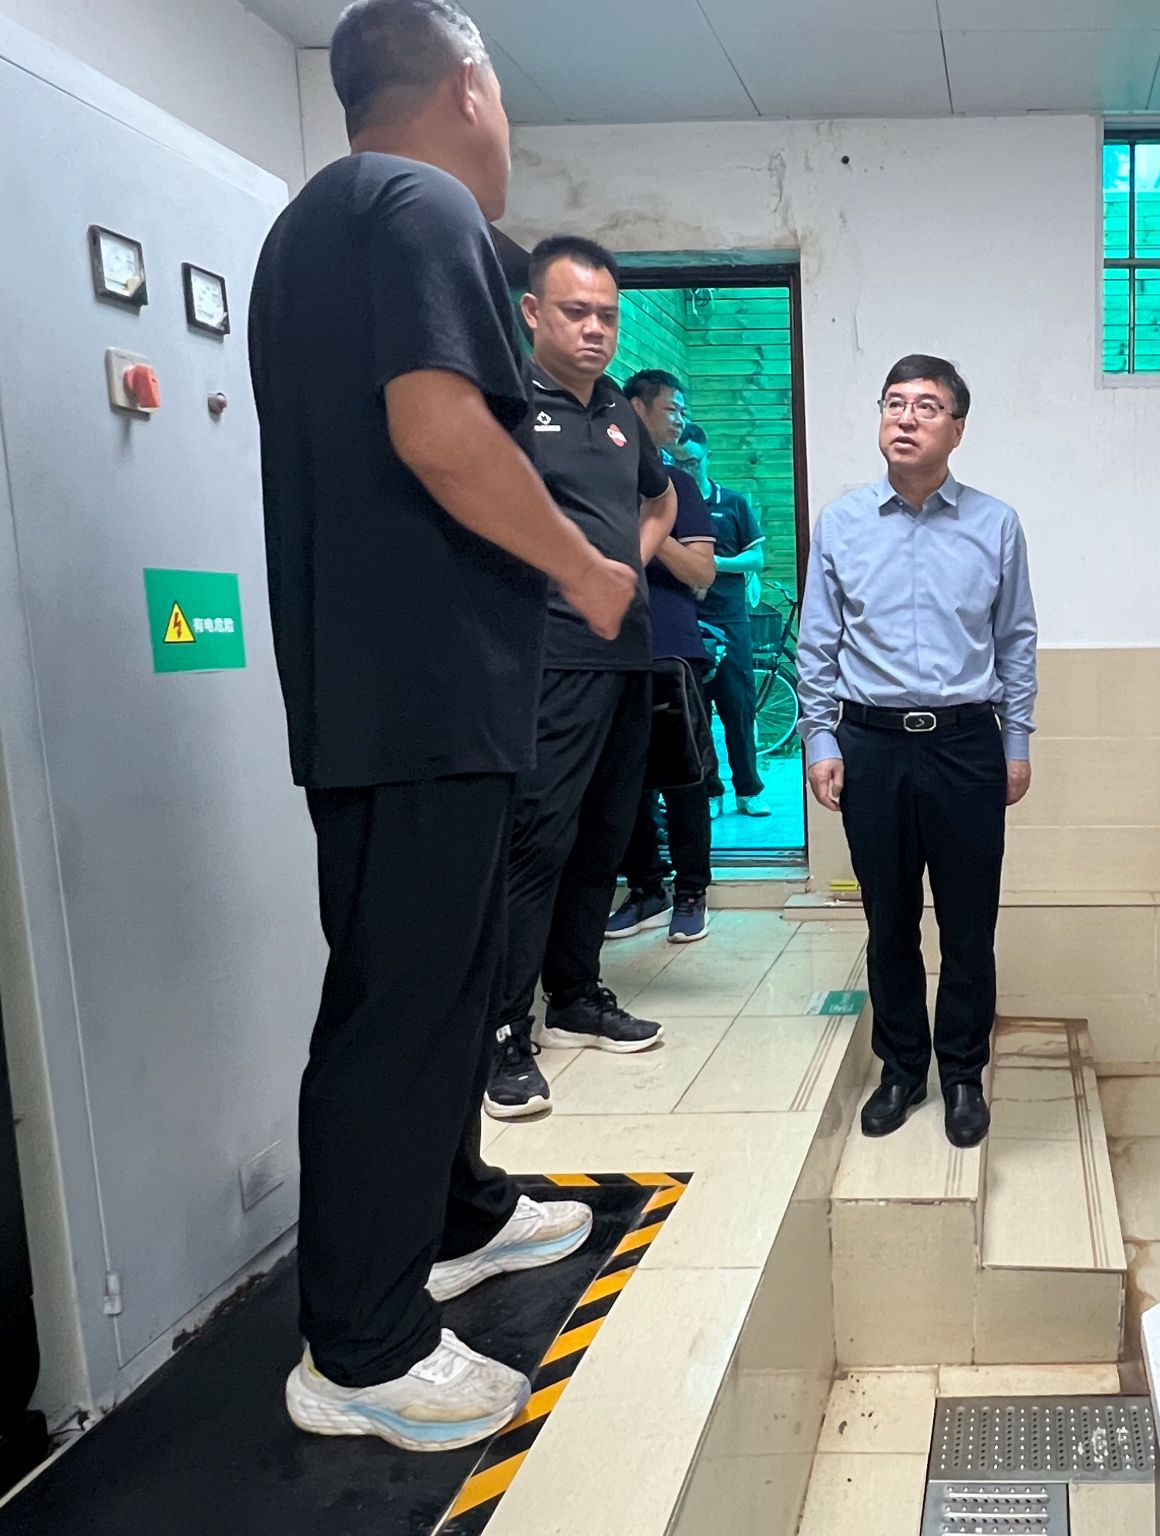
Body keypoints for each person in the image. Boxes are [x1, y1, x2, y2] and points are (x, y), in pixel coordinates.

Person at [249, 0, 638, 1451]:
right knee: (400, 1009)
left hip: (404, 691)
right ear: (469, 85)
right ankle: (360, 1349)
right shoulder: (421, 207)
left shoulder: (318, 222)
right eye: (503, 93)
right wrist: (584, 566)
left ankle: (460, 1213)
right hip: (413, 694)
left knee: (450, 981)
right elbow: (440, 428)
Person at [798, 355, 1037, 1148]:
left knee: (969, 925)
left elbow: (1016, 639)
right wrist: (821, 737)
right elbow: (818, 641)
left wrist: (1016, 739)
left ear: (957, 430)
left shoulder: (995, 524)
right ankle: (902, 1067)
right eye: (894, 403)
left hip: (967, 744)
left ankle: (963, 1072)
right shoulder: (841, 522)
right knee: (889, 919)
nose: (905, 418)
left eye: (927, 406)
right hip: (870, 744)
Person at [482, 236, 678, 1121]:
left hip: (625, 655)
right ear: (533, 312)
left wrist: (625, 566)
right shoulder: (507, 404)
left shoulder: (619, 413)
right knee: (539, 839)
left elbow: (659, 499)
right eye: (576, 312)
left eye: (607, 315)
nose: (595, 329)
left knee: (606, 833)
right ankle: (503, 1032)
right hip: (549, 657)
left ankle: (575, 995)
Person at [606, 370, 721, 946]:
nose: (679, 419)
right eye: (672, 408)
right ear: (636, 408)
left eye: (681, 410)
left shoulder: (677, 484)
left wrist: (655, 525)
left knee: (683, 778)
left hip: (670, 650)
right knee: (620, 781)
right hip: (603, 651)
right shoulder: (596, 478)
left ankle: (692, 892)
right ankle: (646, 888)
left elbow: (703, 574)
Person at [688, 426, 771, 817]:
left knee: (738, 707)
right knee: (695, 711)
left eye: (694, 461)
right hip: (688, 621)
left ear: (708, 458)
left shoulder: (733, 503)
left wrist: (715, 563)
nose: (687, 469)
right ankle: (710, 791)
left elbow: (756, 559)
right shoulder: (669, 505)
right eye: (679, 462)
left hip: (730, 620)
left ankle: (748, 789)